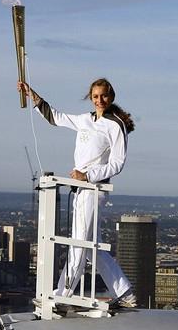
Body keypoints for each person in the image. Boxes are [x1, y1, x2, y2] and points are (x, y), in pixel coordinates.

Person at [17, 78, 137, 307]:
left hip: (94, 189)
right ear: (90, 98)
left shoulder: (115, 124)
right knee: (92, 247)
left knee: (79, 243)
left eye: (103, 96)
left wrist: (88, 175)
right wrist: (31, 93)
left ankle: (63, 294)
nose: (99, 100)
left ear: (111, 97)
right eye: (95, 97)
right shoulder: (85, 120)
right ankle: (125, 293)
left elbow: (118, 163)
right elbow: (56, 117)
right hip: (81, 190)